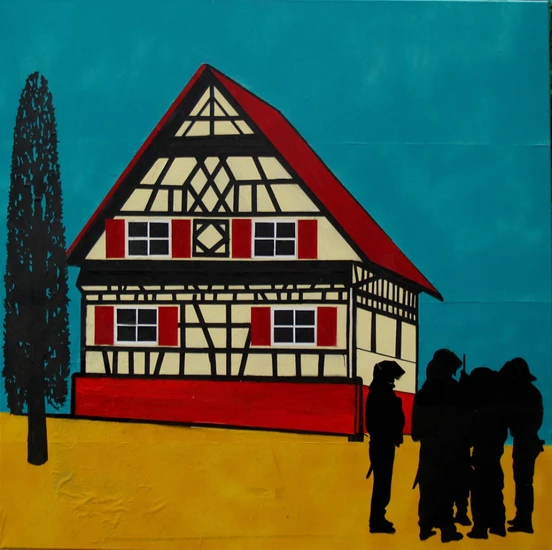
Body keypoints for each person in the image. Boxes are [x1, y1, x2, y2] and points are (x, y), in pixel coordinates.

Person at [412, 349, 466, 543]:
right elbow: (463, 422)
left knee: (428, 490)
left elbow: (416, 432)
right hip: (450, 449)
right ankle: (447, 530)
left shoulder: (423, 394)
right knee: (447, 489)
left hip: (429, 450)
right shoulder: (456, 392)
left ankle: (425, 528)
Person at [499, 358, 544, 534]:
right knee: (522, 481)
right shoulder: (530, 393)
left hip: (525, 442)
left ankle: (525, 521)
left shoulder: (526, 394)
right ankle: (522, 518)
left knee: (524, 482)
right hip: (525, 441)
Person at [465, 367, 508, 539]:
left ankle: (480, 528)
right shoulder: (497, 405)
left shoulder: (481, 409)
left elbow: (471, 434)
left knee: (479, 492)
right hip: (493, 456)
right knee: (495, 491)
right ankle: (497, 526)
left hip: (482, 456)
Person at [365, 360, 406, 534]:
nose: (394, 380)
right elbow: (379, 423)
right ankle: (377, 521)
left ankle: (378, 519)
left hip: (383, 444)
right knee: (382, 485)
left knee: (382, 484)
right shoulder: (381, 394)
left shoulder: (380, 392)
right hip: (382, 444)